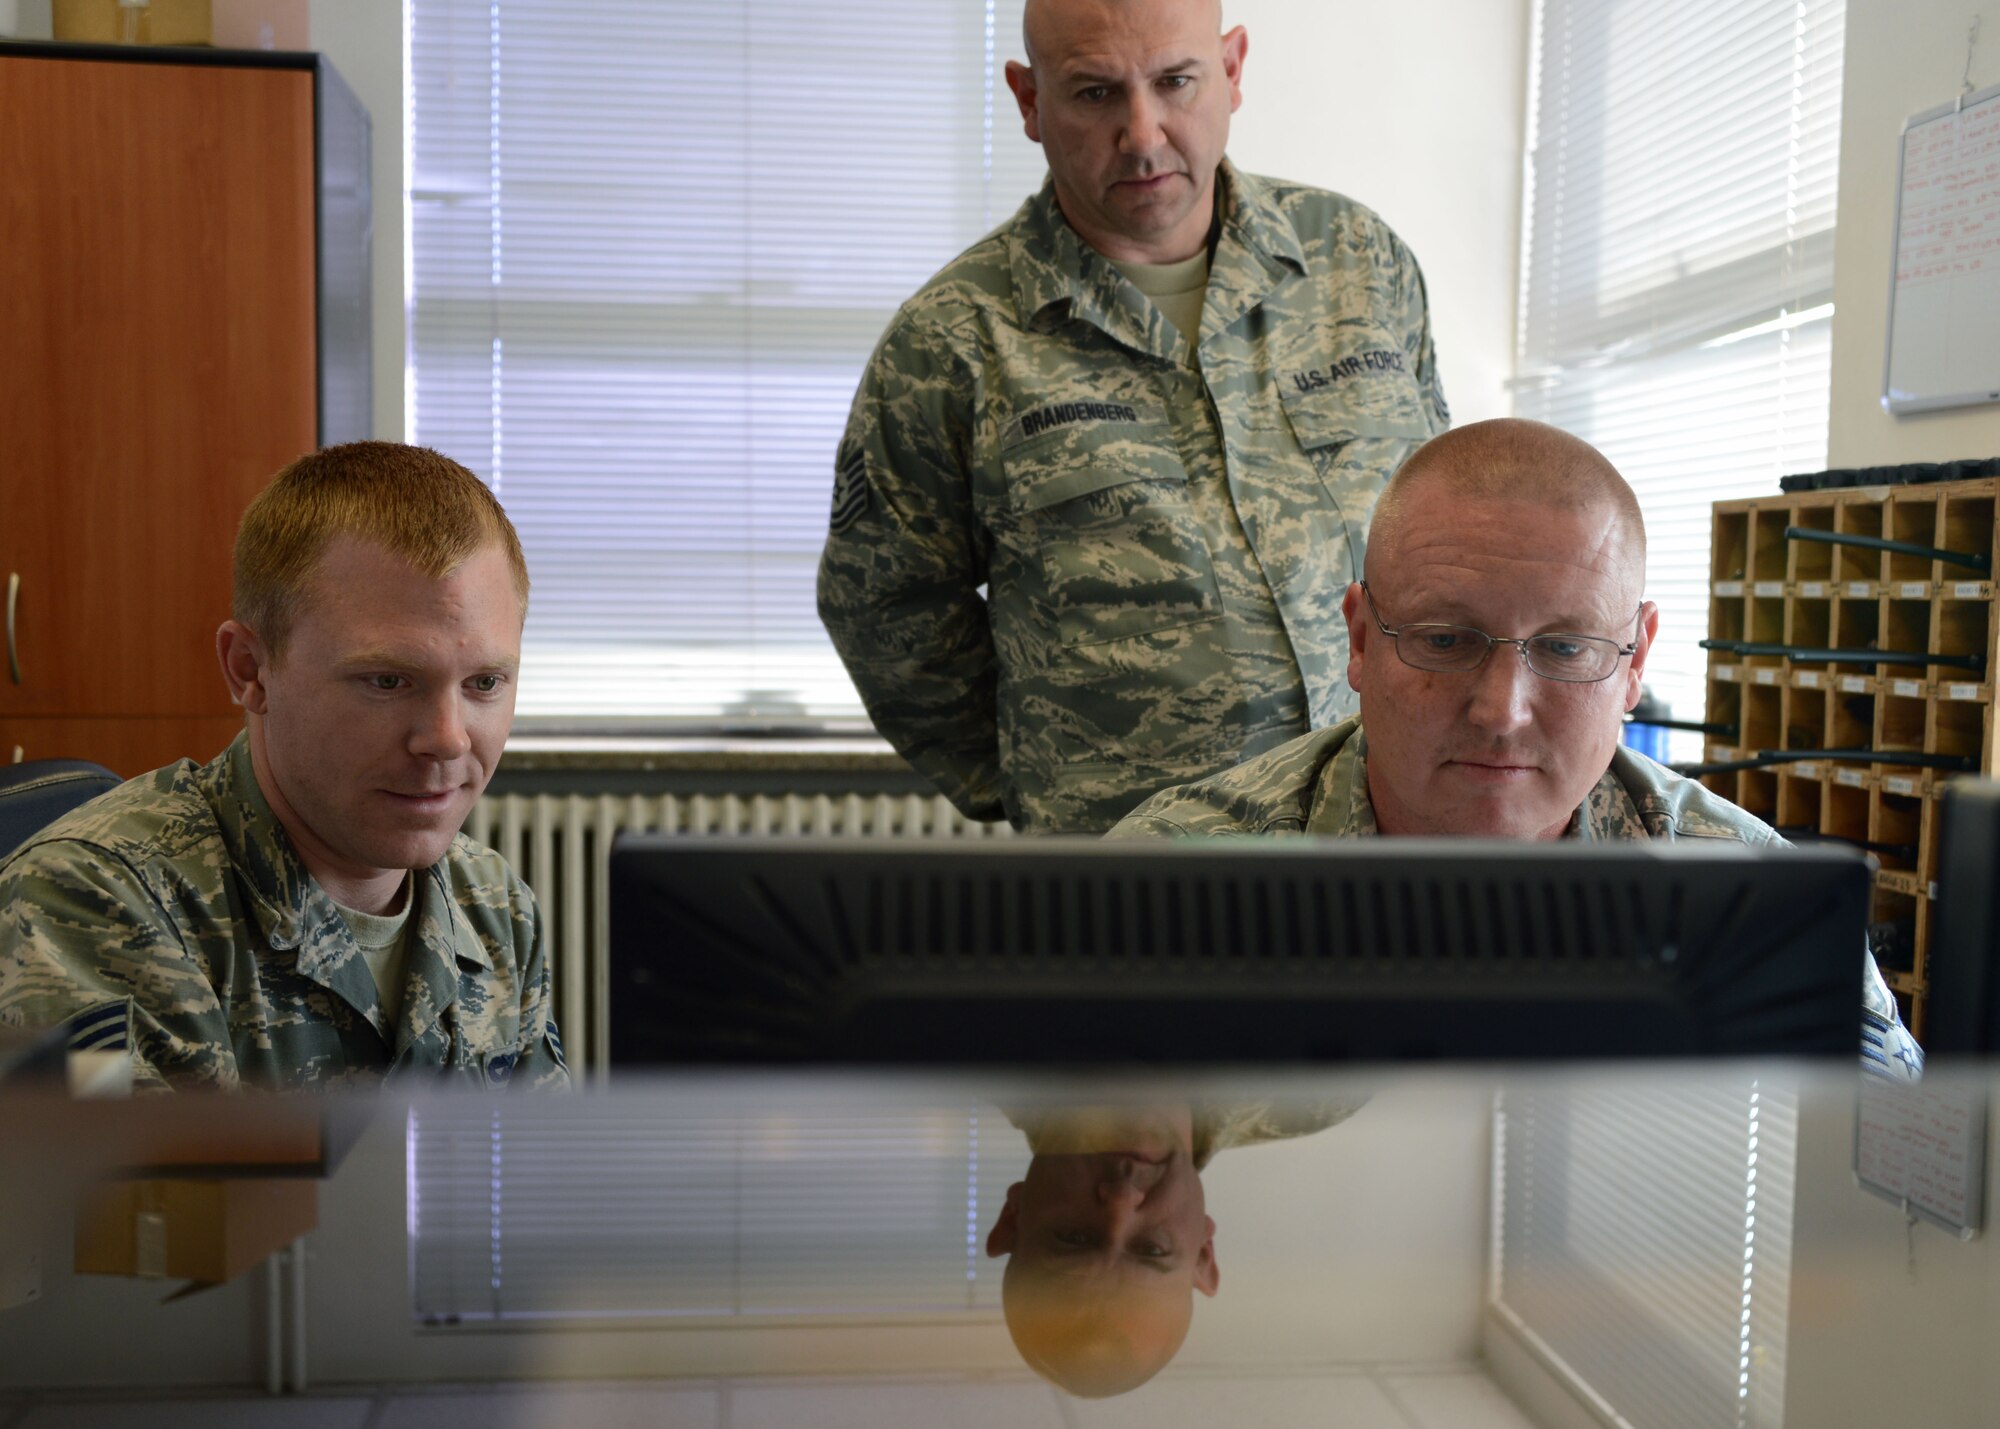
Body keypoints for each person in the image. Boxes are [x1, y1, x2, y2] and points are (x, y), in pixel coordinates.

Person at [1108, 418, 1922, 1080]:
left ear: (1635, 662)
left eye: (1567, 649)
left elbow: (1895, 1198)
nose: (1502, 711)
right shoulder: (1167, 885)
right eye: (1444, 638)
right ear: (1359, 640)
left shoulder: (1753, 901)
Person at [819, 0, 1447, 835]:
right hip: (1128, 871)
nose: (1144, 135)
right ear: (1028, 101)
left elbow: (1443, 534)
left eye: (1176, 82)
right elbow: (885, 607)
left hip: (1380, 842)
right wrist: (1042, 779)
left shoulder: (1361, 264)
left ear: (1232, 69)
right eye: (1093, 95)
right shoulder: (952, 341)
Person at [0, 442, 569, 1092]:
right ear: (249, 669)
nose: (446, 739)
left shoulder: (495, 907)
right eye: (387, 680)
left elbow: (536, 1182)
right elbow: (130, 1193)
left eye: (485, 682)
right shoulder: (87, 909)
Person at [987, 1095, 1362, 1397]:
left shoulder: (965, 1031)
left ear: (1012, 1217)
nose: (1122, 1199)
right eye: (1152, 1249)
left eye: (1074, 1237)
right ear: (1203, 1252)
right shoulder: (1316, 1091)